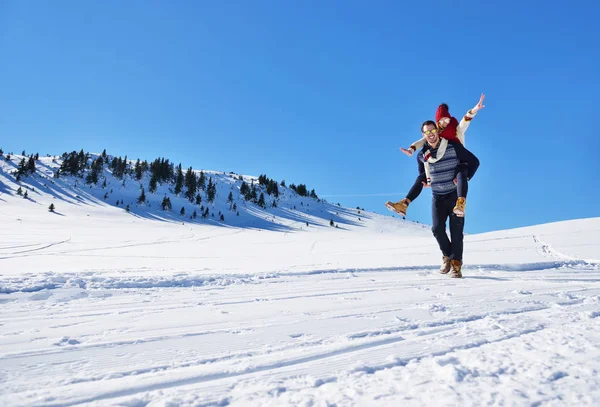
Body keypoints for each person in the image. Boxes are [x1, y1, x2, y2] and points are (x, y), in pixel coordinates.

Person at [386, 94, 485, 217]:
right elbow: (422, 141)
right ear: (437, 121)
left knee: (462, 171)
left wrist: (474, 110)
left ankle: (460, 203)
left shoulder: (455, 129)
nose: (445, 122)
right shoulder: (435, 132)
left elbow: (465, 121)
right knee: (421, 174)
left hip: (458, 158)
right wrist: (412, 149)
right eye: (442, 120)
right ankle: (404, 203)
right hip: (441, 161)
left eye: (447, 119)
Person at [407, 120, 479, 278]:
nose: (430, 134)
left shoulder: (453, 147)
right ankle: (447, 257)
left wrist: (466, 177)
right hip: (437, 197)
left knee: (456, 232)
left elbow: (474, 162)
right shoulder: (422, 155)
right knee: (437, 229)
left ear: (437, 132)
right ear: (423, 135)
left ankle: (456, 265)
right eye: (427, 132)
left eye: (432, 131)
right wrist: (425, 181)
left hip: (454, 197)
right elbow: (423, 175)